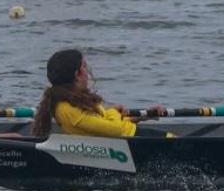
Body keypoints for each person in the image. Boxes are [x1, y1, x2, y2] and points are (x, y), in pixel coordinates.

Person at [29, 49, 167, 138]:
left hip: (134, 137)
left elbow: (103, 126)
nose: (88, 71)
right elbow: (116, 130)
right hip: (133, 140)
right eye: (84, 66)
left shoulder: (73, 101)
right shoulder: (67, 109)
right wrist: (113, 111)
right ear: (77, 74)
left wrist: (145, 116)